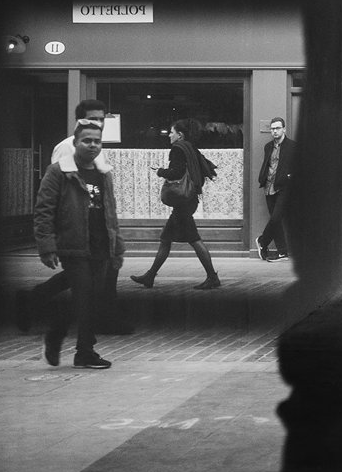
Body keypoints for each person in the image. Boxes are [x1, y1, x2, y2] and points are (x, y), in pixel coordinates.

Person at [18, 99, 132, 335]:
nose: (97, 123)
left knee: (90, 278)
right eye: (92, 119)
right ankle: (91, 324)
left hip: (98, 230)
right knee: (84, 280)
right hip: (76, 232)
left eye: (101, 119)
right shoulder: (66, 147)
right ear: (79, 121)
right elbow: (53, 195)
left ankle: (36, 302)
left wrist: (114, 234)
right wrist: (49, 242)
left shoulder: (97, 148)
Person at [32, 119, 124, 369]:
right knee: (85, 297)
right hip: (73, 245)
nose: (93, 145)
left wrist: (117, 246)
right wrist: (47, 245)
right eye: (87, 140)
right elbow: (44, 210)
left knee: (89, 298)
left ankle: (57, 332)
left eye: (97, 141)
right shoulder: (59, 171)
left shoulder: (103, 173)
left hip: (100, 245)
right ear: (75, 142)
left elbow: (110, 211)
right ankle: (84, 351)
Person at [130, 118, 221, 290]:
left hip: (183, 203)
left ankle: (212, 277)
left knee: (194, 239)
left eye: (171, 132)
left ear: (180, 135)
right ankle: (150, 276)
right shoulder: (191, 148)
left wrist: (160, 171)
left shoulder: (178, 148)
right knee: (166, 239)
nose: (169, 135)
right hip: (189, 200)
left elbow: (176, 173)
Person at [256, 116, 295, 261]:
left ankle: (262, 241)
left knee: (276, 217)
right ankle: (282, 251)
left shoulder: (292, 146)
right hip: (269, 186)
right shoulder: (268, 146)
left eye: (278, 128)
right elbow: (268, 164)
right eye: (272, 129)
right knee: (275, 220)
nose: (274, 131)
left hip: (284, 187)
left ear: (284, 129)